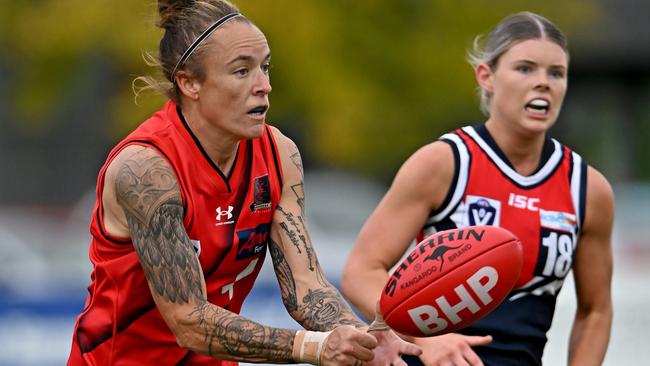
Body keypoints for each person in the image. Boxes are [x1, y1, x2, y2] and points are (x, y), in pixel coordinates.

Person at [66, 1, 421, 365]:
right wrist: (313, 347)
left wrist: (359, 338)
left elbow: (306, 288)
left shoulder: (279, 154)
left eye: (264, 67)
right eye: (241, 71)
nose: (264, 86)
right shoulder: (146, 170)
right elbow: (189, 322)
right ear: (189, 83)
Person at [342, 11, 613, 366]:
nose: (543, 82)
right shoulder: (444, 163)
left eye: (556, 73)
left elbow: (596, 310)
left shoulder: (587, 188)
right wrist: (428, 338)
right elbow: (361, 271)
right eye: (525, 68)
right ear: (486, 76)